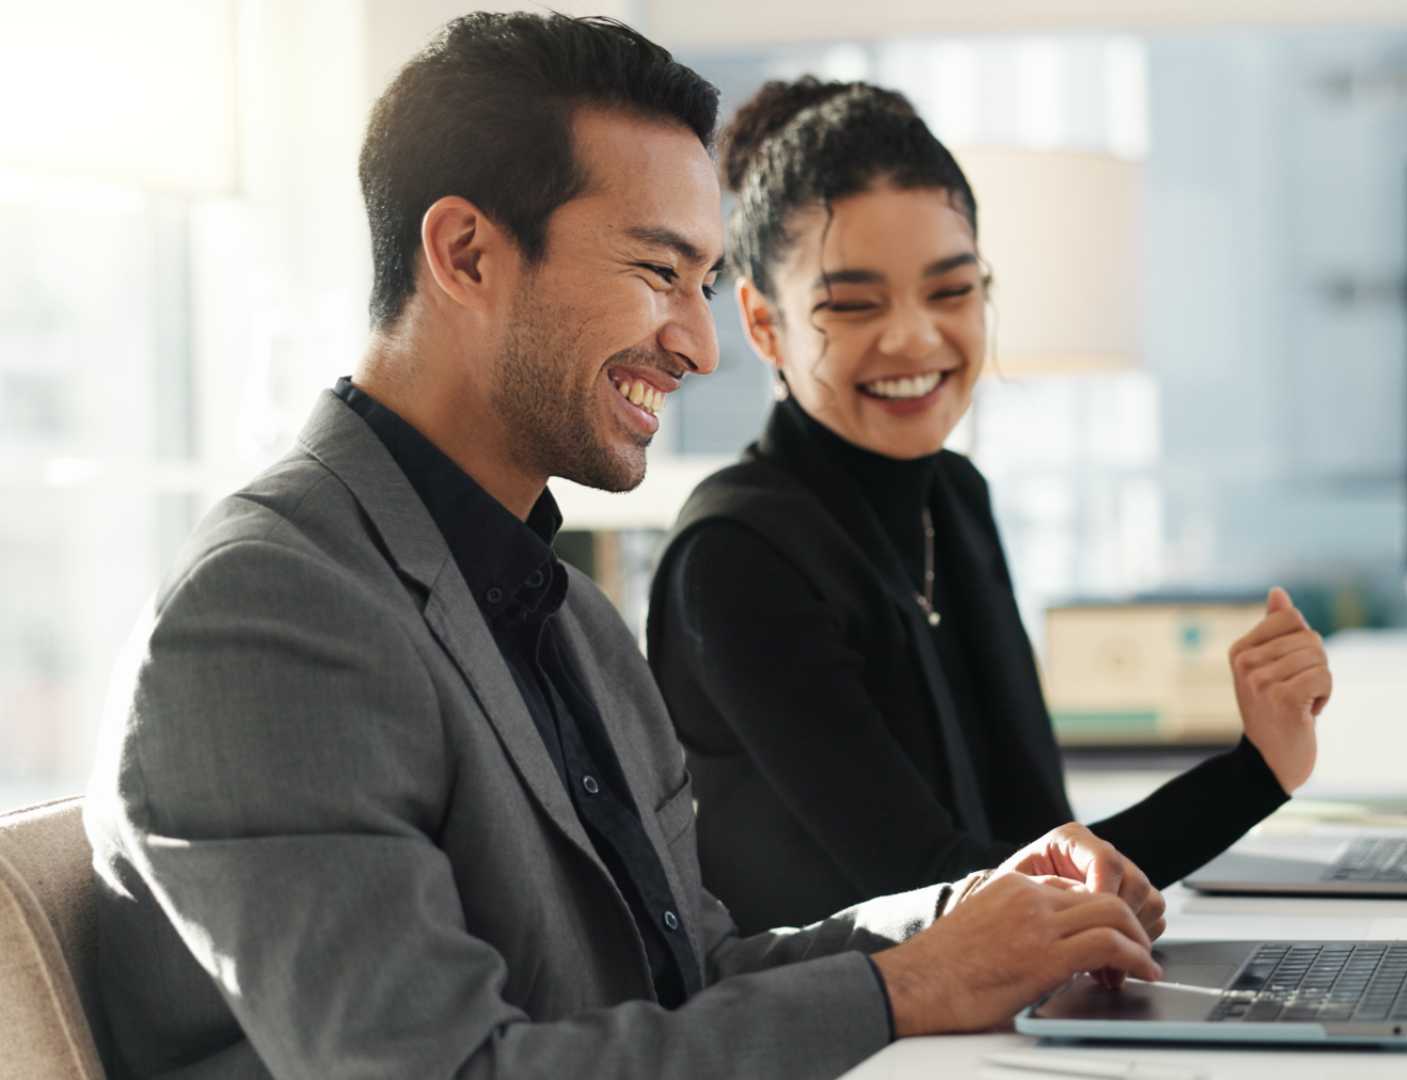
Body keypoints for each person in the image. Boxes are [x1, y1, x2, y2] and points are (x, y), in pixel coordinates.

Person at [86, 16, 1166, 1079]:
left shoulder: (565, 615)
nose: (698, 345)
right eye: (659, 274)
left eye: (702, 286)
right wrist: (908, 989)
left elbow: (690, 980)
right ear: (466, 254)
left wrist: (971, 918)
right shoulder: (272, 614)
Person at [647, 78, 1334, 935]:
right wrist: (1253, 775)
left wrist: (1262, 763)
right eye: (852, 303)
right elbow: (955, 898)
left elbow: (1040, 845)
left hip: (989, 1021)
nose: (915, 338)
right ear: (761, 323)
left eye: (951, 290)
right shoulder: (734, 558)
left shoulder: (954, 500)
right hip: (847, 1051)